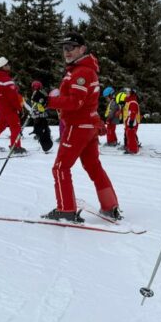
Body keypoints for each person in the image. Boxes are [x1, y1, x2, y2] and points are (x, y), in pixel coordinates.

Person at [44, 32, 121, 222]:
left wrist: (48, 101)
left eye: (71, 47)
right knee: (93, 166)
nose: (67, 51)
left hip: (77, 127)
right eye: (64, 48)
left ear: (82, 49)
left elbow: (75, 102)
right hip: (87, 126)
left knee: (60, 168)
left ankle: (66, 210)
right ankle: (110, 206)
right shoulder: (82, 70)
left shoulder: (82, 72)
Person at [27, 80, 53, 153]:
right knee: (42, 129)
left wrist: (38, 107)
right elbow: (40, 105)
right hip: (39, 115)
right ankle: (46, 145)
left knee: (42, 128)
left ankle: (46, 145)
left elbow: (42, 104)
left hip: (39, 115)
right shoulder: (38, 93)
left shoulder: (39, 94)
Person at [122, 88, 141, 154]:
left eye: (128, 93)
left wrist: (131, 121)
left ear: (132, 94)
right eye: (126, 93)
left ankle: (133, 150)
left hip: (132, 121)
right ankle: (129, 147)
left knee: (131, 135)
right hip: (128, 121)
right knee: (129, 135)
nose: (126, 94)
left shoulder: (133, 102)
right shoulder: (129, 101)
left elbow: (133, 112)